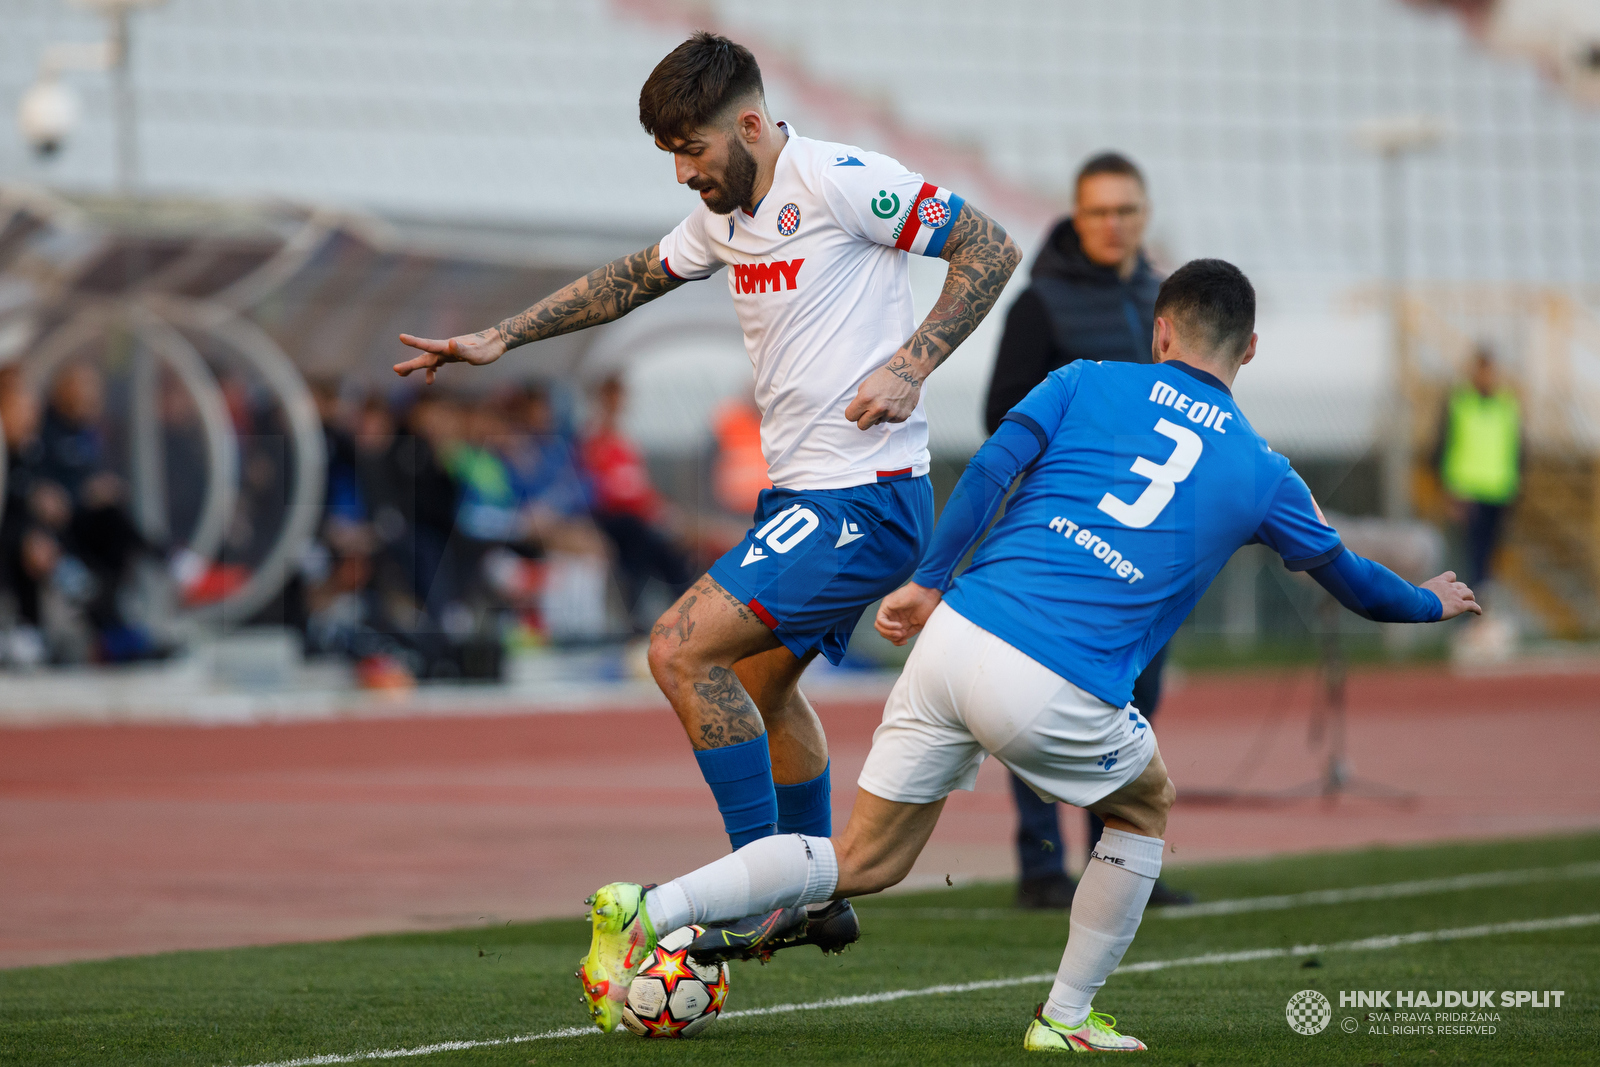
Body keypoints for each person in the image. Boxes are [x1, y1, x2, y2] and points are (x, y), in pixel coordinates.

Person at [573, 259, 1482, 1049]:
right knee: (1145, 805)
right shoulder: (1265, 471)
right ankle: (1068, 1014)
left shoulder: (1084, 379)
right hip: (1059, 679)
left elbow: (991, 468)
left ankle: (650, 907)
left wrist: (929, 581)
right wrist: (1430, 603)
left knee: (861, 858)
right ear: (1248, 351)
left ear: (1160, 331)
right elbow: (1357, 583)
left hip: (956, 637)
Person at [395, 31, 1019, 972]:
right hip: (803, 497)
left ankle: (755, 889)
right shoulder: (726, 216)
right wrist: (498, 338)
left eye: (692, 149)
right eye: (671, 155)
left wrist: (912, 362)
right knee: (763, 687)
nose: (684, 172)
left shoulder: (842, 179)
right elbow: (629, 281)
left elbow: (989, 243)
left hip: (866, 497)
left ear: (754, 124)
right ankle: (814, 895)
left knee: (679, 650)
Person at [982, 151, 1186, 909]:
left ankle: (1121, 865)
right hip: (1063, 542)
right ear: (1075, 213)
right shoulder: (1040, 304)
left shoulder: (1164, 297)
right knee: (1041, 704)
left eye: (1126, 210)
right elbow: (1003, 417)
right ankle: (1039, 864)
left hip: (1151, 542)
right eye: (1099, 210)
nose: (1113, 224)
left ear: (1145, 214)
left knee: (1135, 702)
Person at [580, 374, 693, 625]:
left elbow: (642, 487)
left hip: (638, 516)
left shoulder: (625, 442)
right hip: (611, 517)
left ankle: (686, 612)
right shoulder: (591, 440)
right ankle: (637, 619)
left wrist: (662, 510)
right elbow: (603, 490)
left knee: (676, 545)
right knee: (641, 540)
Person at [1435, 346, 1521, 589]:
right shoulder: (1460, 403)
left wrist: (1515, 485)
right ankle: (1469, 616)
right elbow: (1444, 446)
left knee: (1491, 560)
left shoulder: (1507, 405)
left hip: (1499, 490)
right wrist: (1450, 489)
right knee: (1472, 559)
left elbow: (1516, 448)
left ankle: (1483, 613)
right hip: (1468, 491)